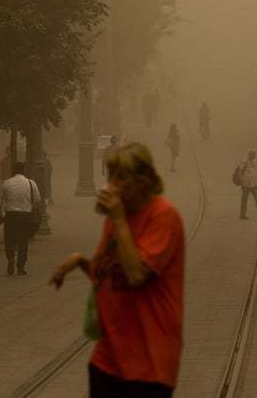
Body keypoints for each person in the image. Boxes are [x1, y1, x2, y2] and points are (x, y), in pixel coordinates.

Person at [49, 143, 185, 397]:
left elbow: (136, 275)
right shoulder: (117, 218)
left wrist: (119, 219)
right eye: (110, 175)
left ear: (143, 180)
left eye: (121, 176)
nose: (113, 183)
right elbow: (113, 277)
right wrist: (81, 262)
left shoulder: (162, 216)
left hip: (147, 363)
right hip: (108, 359)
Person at [0, 162, 42, 276]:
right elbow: (37, 200)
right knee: (23, 242)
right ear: (24, 170)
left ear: (13, 171)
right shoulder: (31, 183)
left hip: (10, 215)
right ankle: (21, 266)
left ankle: (10, 259)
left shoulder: (6, 183)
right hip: (25, 216)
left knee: (9, 240)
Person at [238, 150, 257, 220]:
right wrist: (242, 181)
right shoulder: (244, 161)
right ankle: (242, 215)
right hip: (246, 184)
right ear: (248, 155)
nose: (253, 156)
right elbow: (239, 172)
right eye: (252, 154)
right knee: (244, 200)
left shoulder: (254, 162)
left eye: (254, 155)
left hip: (253, 184)